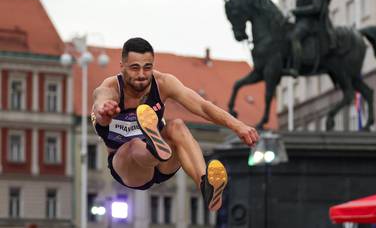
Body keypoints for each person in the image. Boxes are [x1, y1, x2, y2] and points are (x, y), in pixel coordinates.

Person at [91, 37, 259, 211]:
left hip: (165, 165)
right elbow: (100, 98)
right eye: (134, 68)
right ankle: (153, 149)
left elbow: (203, 106)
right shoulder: (111, 88)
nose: (141, 75)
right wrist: (105, 108)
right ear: (122, 67)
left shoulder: (163, 83)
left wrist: (238, 126)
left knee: (177, 125)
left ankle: (205, 183)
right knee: (133, 145)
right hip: (130, 168)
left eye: (147, 67)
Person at [258, 0, 336, 78]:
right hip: (301, 22)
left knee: (295, 37)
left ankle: (295, 67)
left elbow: (316, 8)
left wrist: (297, 11)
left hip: (311, 23)